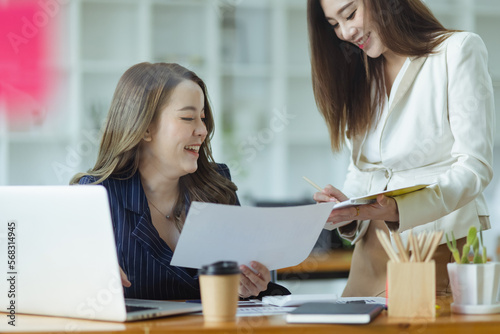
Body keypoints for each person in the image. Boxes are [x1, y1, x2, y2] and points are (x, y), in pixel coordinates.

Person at [307, 0, 495, 297]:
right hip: (370, 254)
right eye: (334, 25)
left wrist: (400, 208)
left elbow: (475, 167)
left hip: (434, 246)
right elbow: (363, 168)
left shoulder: (456, 50)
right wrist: (347, 209)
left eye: (350, 14)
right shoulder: (362, 72)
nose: (345, 32)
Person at [70, 62, 289, 300]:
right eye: (188, 118)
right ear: (144, 128)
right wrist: (85, 281)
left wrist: (252, 288)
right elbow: (67, 292)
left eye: (203, 118)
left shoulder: (217, 188)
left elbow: (244, 292)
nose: (202, 130)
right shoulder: (98, 195)